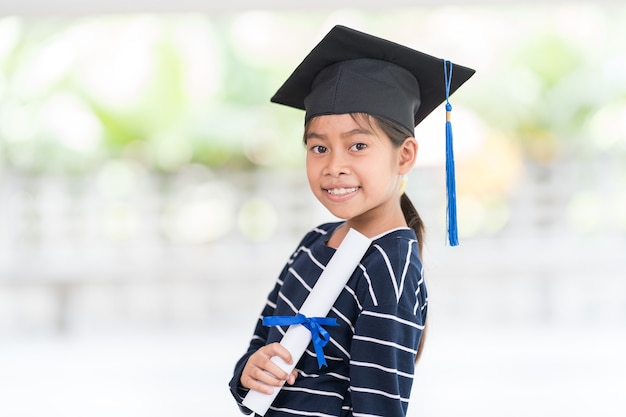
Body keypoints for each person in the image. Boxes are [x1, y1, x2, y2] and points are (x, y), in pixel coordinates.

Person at [229, 25, 474, 417]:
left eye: (358, 145)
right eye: (318, 147)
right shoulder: (314, 242)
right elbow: (258, 347)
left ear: (405, 155)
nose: (334, 166)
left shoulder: (388, 267)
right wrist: (249, 374)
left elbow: (378, 408)